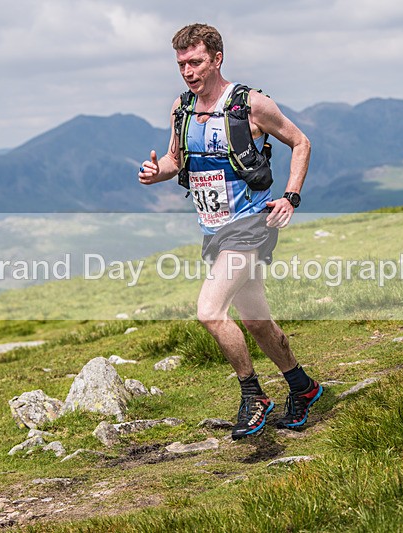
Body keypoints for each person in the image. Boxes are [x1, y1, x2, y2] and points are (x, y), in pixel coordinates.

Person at [138, 23, 321, 439]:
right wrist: (156, 173)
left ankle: (253, 394)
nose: (187, 71)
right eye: (181, 63)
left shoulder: (250, 104)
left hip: (252, 224)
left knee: (209, 311)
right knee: (256, 321)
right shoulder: (181, 108)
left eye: (196, 61)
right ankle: (303, 387)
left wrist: (290, 196)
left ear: (217, 59)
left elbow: (301, 141)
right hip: (213, 228)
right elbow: (174, 159)